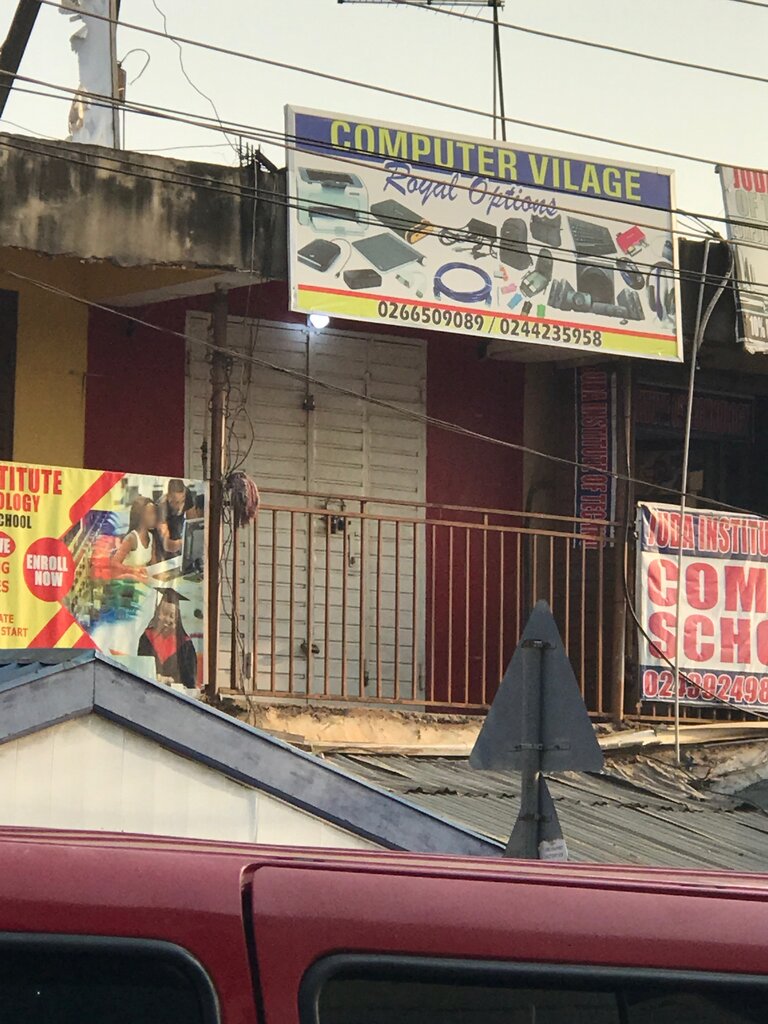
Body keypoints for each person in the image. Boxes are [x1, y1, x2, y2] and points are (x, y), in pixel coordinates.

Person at [138, 589, 197, 688]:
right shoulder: (146, 638)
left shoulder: (185, 645)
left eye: (172, 616)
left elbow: (190, 680)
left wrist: (169, 681)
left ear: (177, 619)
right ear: (158, 614)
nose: (167, 619)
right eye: (164, 613)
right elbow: (141, 669)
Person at [111, 497, 158, 580]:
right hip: (127, 582)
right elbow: (114, 563)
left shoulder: (151, 537)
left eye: (154, 513)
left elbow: (153, 566)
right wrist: (133, 570)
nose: (154, 517)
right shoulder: (131, 538)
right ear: (140, 516)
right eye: (150, 513)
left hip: (142, 582)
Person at [157, 479, 193, 558]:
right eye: (176, 502)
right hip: (163, 550)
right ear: (169, 497)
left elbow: (193, 524)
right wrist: (185, 542)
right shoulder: (161, 507)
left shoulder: (187, 494)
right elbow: (167, 545)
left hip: (178, 530)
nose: (180, 507)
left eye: (182, 501)